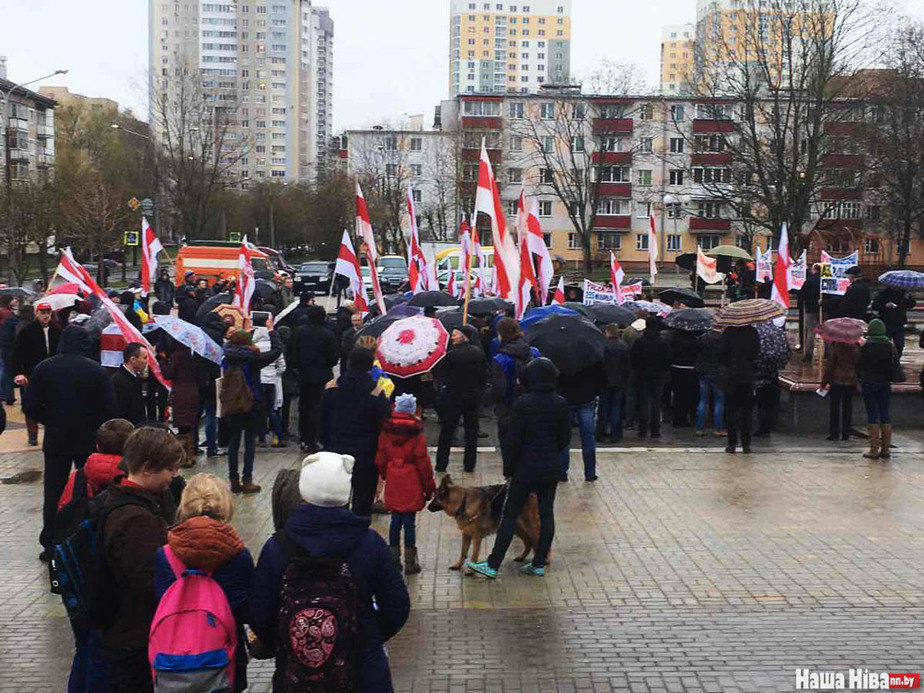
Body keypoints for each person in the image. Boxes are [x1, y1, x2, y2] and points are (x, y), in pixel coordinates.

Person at [249, 452, 410, 692]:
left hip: (297, 677)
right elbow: (397, 606)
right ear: (346, 494)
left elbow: (259, 613)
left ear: (304, 493)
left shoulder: (278, 547)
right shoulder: (370, 543)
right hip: (363, 674)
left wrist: (291, 641)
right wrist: (366, 637)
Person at [468, 358, 570, 579]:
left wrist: (509, 468)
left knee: (510, 515)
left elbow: (513, 440)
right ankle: (539, 562)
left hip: (524, 468)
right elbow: (564, 439)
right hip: (550, 467)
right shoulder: (560, 403)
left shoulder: (523, 403)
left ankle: (493, 564)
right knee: (546, 513)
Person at [100, 427, 184, 692]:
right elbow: (147, 581)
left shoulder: (119, 499)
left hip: (124, 630)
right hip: (134, 635)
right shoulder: (135, 519)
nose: (175, 475)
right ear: (147, 468)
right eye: (170, 469)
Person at [153, 473, 254, 692]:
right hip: (225, 657)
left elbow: (158, 601)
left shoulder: (165, 555)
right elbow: (245, 607)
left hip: (172, 661)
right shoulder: (238, 555)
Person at [23, 324, 116, 561]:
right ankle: (88, 536)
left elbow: (29, 406)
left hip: (56, 438)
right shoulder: (95, 370)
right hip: (87, 438)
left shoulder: (44, 368)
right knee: (90, 487)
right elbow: (109, 408)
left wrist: (50, 419)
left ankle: (51, 541)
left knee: (53, 490)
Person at [57, 418, 135, 693]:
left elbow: (62, 517)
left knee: (83, 648)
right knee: (106, 653)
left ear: (98, 445)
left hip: (78, 576)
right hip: (111, 579)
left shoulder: (78, 476)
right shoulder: (130, 480)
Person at [321, 347, 390, 517]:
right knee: (363, 498)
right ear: (369, 366)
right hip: (367, 453)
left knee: (337, 496)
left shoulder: (332, 387)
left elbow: (321, 419)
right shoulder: (376, 392)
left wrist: (326, 443)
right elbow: (385, 422)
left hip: (336, 450)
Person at [375, 393, 436, 575]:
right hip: (412, 479)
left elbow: (380, 457)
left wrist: (386, 474)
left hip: (394, 476)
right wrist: (429, 487)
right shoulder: (417, 434)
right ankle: (410, 561)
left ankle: (393, 558)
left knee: (395, 520)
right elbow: (424, 464)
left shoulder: (386, 431)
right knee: (409, 522)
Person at [221, 322, 282, 494]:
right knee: (249, 442)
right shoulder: (252, 358)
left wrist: (242, 335)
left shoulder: (226, 357)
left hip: (232, 402)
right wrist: (271, 332)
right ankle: (247, 480)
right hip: (251, 403)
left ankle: (233, 479)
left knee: (233, 442)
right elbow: (277, 351)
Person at [484, 318, 539, 471]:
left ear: (501, 334)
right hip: (531, 408)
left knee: (509, 451)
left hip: (508, 410)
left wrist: (484, 398)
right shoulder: (533, 353)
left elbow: (499, 390)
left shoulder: (500, 359)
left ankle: (512, 484)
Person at [434, 325, 487, 472]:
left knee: (447, 432)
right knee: (471, 432)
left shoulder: (451, 355)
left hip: (453, 397)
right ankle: (469, 464)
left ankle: (441, 464)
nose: (452, 337)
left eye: (455, 335)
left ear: (464, 336)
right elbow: (484, 376)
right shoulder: (479, 354)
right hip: (472, 397)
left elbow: (442, 376)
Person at [288, 304, 338, 453]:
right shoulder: (327, 334)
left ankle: (304, 437)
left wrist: (296, 367)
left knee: (304, 406)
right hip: (322, 375)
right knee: (318, 407)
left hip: (303, 375)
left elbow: (291, 353)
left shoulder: (298, 332)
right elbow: (333, 357)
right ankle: (315, 438)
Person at [12, 301, 61, 446]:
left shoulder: (57, 330)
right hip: (31, 373)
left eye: (48, 313)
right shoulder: (27, 331)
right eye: (42, 313)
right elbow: (16, 354)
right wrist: (18, 373)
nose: (45, 316)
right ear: (37, 314)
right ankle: (32, 434)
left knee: (53, 404)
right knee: (31, 404)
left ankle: (52, 431)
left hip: (52, 373)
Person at [557, 359, 603, 482]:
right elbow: (599, 376)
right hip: (586, 397)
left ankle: (562, 472)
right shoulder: (590, 356)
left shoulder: (559, 356)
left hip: (566, 397)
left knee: (564, 437)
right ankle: (590, 472)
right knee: (588, 436)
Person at [857, 319, 896, 459]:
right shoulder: (889, 345)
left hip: (869, 383)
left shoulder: (867, 346)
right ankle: (886, 449)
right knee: (885, 414)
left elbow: (859, 365)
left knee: (872, 414)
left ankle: (874, 449)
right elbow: (894, 364)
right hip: (885, 383)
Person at [718, 325, 760, 453]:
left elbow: (722, 353)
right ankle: (746, 444)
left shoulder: (728, 332)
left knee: (731, 411)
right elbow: (756, 352)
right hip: (747, 377)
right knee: (746, 412)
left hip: (731, 377)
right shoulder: (752, 332)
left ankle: (732, 444)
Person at [629, 317, 672, 439]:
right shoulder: (662, 342)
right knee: (656, 403)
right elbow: (668, 359)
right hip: (658, 376)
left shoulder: (639, 341)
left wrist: (638, 370)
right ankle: (655, 430)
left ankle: (642, 429)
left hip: (642, 375)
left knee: (643, 402)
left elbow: (633, 358)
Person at [162, 344, 201, 466]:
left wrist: (162, 361)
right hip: (193, 391)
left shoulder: (178, 355)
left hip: (181, 393)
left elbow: (168, 373)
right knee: (190, 424)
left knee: (182, 426)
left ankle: (185, 457)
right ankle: (191, 454)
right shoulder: (194, 355)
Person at [753, 320, 791, 437]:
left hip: (758, 375)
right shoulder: (778, 333)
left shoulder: (755, 333)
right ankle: (766, 429)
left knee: (759, 404)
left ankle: (759, 428)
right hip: (772, 375)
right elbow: (787, 353)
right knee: (768, 405)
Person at [821, 340, 860, 441]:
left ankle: (834, 433)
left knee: (835, 407)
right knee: (848, 407)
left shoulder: (836, 348)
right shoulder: (856, 348)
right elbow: (859, 366)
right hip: (851, 381)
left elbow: (830, 367)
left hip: (836, 381)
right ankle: (846, 433)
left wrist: (824, 383)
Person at [254, 325, 287, 447]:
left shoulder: (255, 347)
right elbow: (282, 367)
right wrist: (274, 374)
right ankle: (279, 436)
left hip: (258, 381)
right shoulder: (275, 347)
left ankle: (261, 438)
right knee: (272, 410)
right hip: (271, 381)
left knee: (259, 411)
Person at [596, 324, 628, 443]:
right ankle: (616, 434)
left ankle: (601, 433)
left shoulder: (603, 345)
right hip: (619, 381)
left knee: (604, 408)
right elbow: (627, 365)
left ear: (607, 332)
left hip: (605, 381)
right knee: (616, 408)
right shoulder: (623, 346)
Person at [695, 325, 726, 436]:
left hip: (704, 371)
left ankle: (699, 427)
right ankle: (718, 428)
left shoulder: (703, 337)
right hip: (718, 373)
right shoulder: (724, 339)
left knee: (703, 400)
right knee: (719, 401)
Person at [871, 283, 916, 356]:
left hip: (899, 321)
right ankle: (885, 358)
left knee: (899, 344)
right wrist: (885, 305)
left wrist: (908, 299)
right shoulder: (883, 293)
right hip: (886, 321)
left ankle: (897, 358)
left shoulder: (904, 293)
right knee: (885, 343)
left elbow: (911, 304)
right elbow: (875, 305)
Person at [111, 343, 149, 426]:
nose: (146, 362)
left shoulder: (136, 377)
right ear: (133, 359)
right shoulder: (119, 380)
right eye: (144, 358)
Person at [669, 328, 699, 427]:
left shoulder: (674, 338)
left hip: (676, 367)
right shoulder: (693, 340)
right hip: (689, 368)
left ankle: (676, 419)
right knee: (687, 396)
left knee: (677, 395)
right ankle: (684, 419)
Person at [799, 264, 822, 362]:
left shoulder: (809, 281)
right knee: (826, 333)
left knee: (811, 332)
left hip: (810, 309)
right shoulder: (825, 281)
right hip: (823, 309)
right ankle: (827, 354)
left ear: (814, 270)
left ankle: (809, 354)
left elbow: (802, 295)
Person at [339, 309, 364, 374]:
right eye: (354, 321)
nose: (356, 322)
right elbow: (345, 349)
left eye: (358, 320)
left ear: (362, 321)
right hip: (352, 362)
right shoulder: (347, 334)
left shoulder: (366, 331)